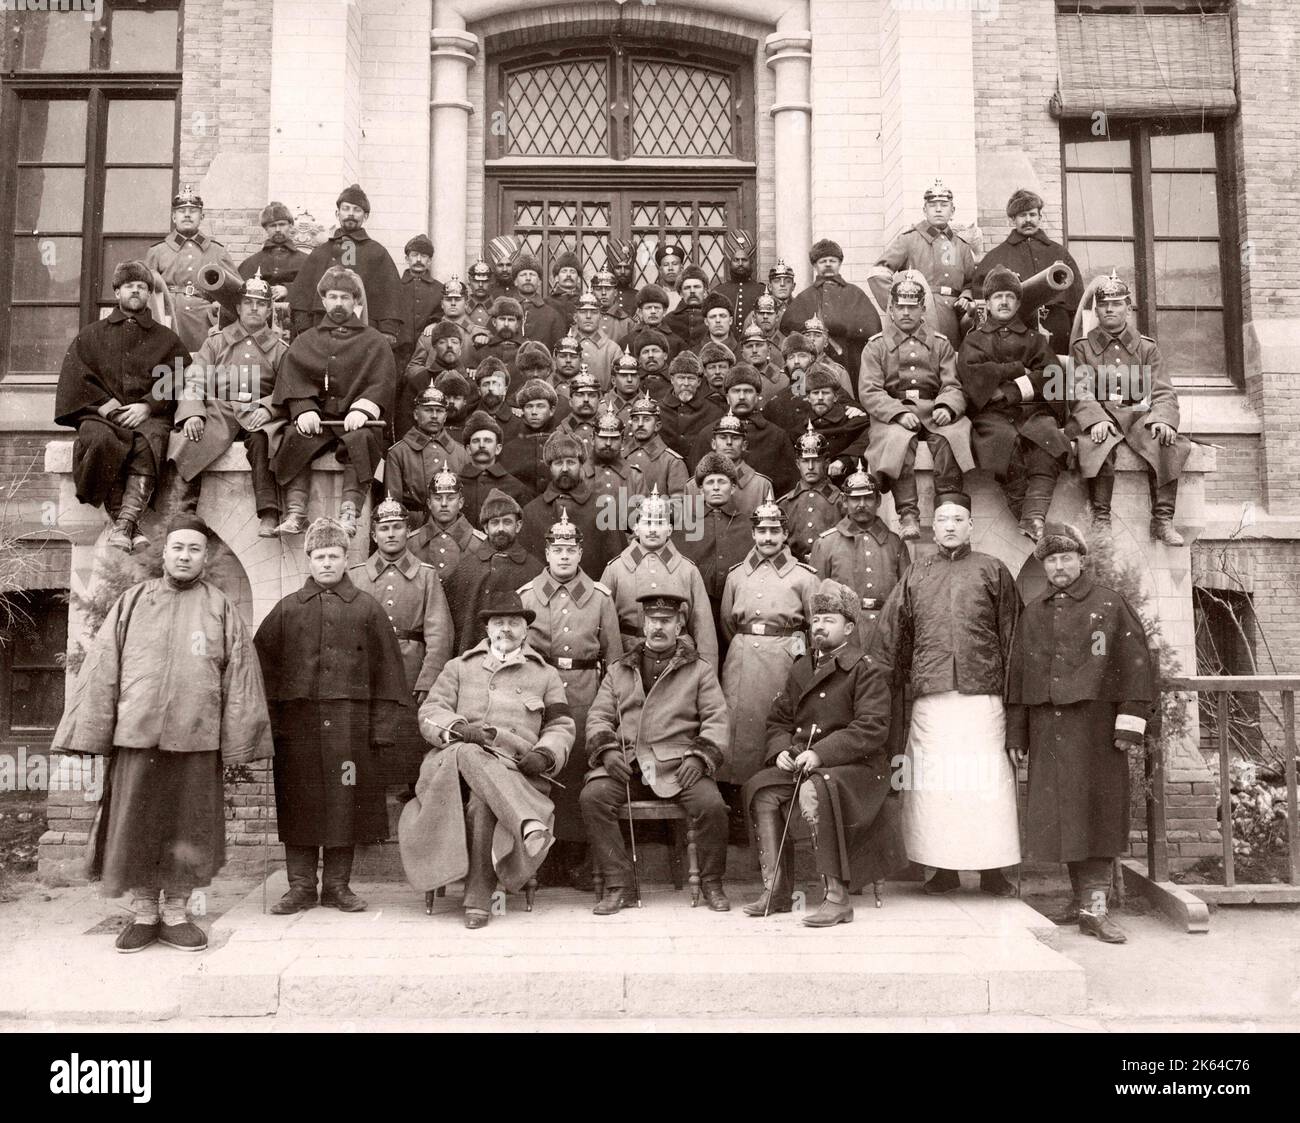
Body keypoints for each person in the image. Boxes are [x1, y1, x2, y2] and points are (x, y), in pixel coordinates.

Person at [52, 514, 272, 952]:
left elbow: (241, 677)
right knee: (136, 826)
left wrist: (239, 741)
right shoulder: (134, 601)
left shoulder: (219, 606)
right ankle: (143, 912)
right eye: (177, 547)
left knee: (188, 829)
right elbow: (102, 669)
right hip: (138, 737)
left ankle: (175, 912)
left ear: (205, 557)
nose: (185, 556)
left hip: (196, 739)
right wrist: (95, 732)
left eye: (194, 549)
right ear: (165, 552)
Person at [1005, 523, 1154, 943]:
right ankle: (1081, 899)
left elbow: (1137, 665)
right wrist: (1017, 735)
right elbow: (1018, 677)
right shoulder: (1033, 612)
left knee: (1097, 814)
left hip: (1097, 732)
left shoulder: (1110, 604)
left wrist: (1130, 723)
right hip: (1048, 731)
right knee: (1063, 816)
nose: (1059, 567)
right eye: (1051, 560)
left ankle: (1096, 905)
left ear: (1081, 559)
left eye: (1066, 558)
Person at [255, 517, 409, 915]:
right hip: (297, 729)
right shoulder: (287, 610)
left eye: (334, 556)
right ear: (309, 559)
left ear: (346, 558)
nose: (327, 563)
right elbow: (261, 673)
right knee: (300, 802)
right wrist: (270, 729)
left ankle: (339, 886)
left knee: (346, 804)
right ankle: (301, 886)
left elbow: (389, 675)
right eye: (319, 556)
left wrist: (381, 732)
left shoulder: (367, 609)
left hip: (350, 728)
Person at [870, 492, 1021, 896]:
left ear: (971, 525)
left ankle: (992, 871)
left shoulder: (994, 570)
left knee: (984, 783)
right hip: (932, 697)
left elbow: (1012, 637)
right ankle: (942, 870)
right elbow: (892, 635)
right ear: (932, 528)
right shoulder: (917, 573)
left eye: (958, 519)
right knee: (936, 786)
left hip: (982, 696)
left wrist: (1012, 699)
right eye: (943, 519)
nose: (950, 526)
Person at [403, 590, 575, 928]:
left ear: (526, 631)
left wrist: (545, 754)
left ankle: (478, 901)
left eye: (514, 623)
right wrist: (460, 729)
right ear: (488, 629)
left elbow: (561, 724)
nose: (506, 629)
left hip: (516, 770)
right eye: (499, 623)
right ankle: (528, 823)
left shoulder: (545, 674)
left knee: (482, 803)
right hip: (451, 766)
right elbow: (429, 713)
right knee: (468, 751)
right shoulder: (459, 667)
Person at [741, 578, 905, 925]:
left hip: (857, 768)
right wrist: (781, 750)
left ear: (849, 627)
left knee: (817, 788)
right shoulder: (801, 668)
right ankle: (777, 890)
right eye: (815, 620)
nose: (819, 626)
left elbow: (872, 727)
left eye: (829, 621)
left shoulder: (866, 669)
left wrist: (821, 754)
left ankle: (838, 897)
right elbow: (779, 719)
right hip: (805, 761)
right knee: (762, 788)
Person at [581, 592, 732, 913]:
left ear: (679, 625)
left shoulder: (698, 670)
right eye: (652, 621)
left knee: (713, 806)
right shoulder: (619, 669)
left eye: (666, 621)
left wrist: (699, 757)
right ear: (643, 624)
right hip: (628, 763)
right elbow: (598, 716)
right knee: (593, 797)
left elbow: (717, 720)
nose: (658, 627)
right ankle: (619, 884)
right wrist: (607, 751)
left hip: (679, 766)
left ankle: (712, 882)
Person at [519, 511, 623, 885]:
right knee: (542, 770)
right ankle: (543, 857)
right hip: (539, 695)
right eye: (556, 549)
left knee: (578, 771)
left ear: (580, 553)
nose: (563, 556)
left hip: (585, 691)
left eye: (570, 549)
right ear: (546, 553)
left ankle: (577, 857)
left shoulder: (599, 598)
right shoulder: (528, 595)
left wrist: (611, 707)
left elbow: (614, 658)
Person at [54, 260, 185, 552]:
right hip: (101, 415)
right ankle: (128, 527)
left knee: (148, 441)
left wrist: (148, 406)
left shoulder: (167, 339)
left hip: (149, 417)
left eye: (142, 287)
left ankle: (124, 525)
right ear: (117, 292)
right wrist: (107, 406)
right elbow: (78, 377)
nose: (136, 291)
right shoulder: (91, 335)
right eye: (129, 286)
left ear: (149, 294)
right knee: (101, 440)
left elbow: (177, 375)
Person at [1069, 271, 1192, 546]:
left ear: (1128, 307)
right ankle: (1101, 523)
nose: (1110, 309)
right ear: (1097, 309)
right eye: (1103, 304)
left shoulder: (1146, 348)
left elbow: (1163, 390)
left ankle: (1162, 519)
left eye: (1117, 303)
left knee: (1167, 441)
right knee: (1096, 442)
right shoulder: (1083, 348)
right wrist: (1095, 419)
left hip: (1139, 416)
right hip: (1102, 414)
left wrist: (1163, 419)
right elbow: (1080, 390)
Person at [270, 265, 394, 537]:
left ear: (356, 301)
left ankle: (349, 513)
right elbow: (294, 376)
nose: (339, 303)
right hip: (321, 419)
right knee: (295, 434)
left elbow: (382, 380)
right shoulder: (306, 340)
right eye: (334, 297)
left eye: (345, 297)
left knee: (363, 439)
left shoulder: (374, 341)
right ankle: (296, 512)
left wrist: (365, 407)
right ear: (324, 300)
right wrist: (303, 408)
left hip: (355, 421)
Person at [169, 271, 289, 536]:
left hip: (259, 412)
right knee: (191, 437)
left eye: (260, 304)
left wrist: (268, 408)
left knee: (263, 441)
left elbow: (288, 388)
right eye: (248, 303)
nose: (254, 308)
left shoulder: (280, 349)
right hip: (220, 410)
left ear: (269, 310)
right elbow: (195, 379)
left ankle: (269, 513)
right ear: (237, 307)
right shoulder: (216, 342)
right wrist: (192, 413)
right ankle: (182, 512)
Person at [957, 265, 1070, 541]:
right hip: (992, 415)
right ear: (988, 303)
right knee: (1004, 444)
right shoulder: (974, 340)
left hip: (1032, 411)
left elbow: (1051, 375)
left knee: (1048, 440)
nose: (1004, 302)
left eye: (1010, 296)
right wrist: (1019, 368)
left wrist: (1010, 390)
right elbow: (974, 374)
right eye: (998, 297)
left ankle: (1034, 517)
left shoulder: (1035, 340)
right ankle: (1027, 516)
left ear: (1019, 302)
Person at [858, 273, 973, 541]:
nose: (906, 312)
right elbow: (869, 390)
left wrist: (947, 406)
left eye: (913, 306)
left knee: (951, 438)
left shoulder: (940, 343)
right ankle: (908, 513)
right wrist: (898, 413)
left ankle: (947, 508)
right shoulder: (876, 346)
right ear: (891, 309)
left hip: (933, 409)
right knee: (898, 442)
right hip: (893, 411)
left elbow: (952, 384)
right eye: (901, 306)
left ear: (923, 308)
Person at [349, 496, 455, 788]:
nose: (392, 534)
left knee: (410, 747)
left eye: (398, 527)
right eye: (384, 528)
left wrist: (428, 679)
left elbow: (440, 632)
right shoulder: (356, 577)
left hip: (412, 672)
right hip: (370, 673)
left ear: (408, 531)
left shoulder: (426, 576)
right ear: (373, 535)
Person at [717, 496, 817, 785]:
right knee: (739, 725)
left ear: (786, 534)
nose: (768, 537)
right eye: (762, 531)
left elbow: (814, 626)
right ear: (753, 534)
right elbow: (728, 623)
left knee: (775, 722)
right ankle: (735, 790)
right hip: (743, 657)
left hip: (783, 657)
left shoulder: (804, 576)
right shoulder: (737, 575)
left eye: (775, 531)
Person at [599, 486, 718, 665]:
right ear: (636, 528)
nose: (653, 529)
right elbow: (604, 626)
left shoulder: (687, 570)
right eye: (647, 523)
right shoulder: (615, 569)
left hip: (679, 657)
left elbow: (704, 628)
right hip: (629, 654)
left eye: (659, 523)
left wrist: (707, 674)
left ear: (669, 529)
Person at [288, 183, 404, 343]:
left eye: (357, 210)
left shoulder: (378, 253)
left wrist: (387, 331)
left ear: (366, 216)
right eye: (346, 208)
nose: (351, 214)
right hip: (322, 330)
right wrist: (305, 330)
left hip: (365, 332)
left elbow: (391, 296)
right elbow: (302, 296)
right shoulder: (320, 252)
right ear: (337, 213)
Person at [973, 188, 1084, 354]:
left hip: (1058, 331)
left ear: (1040, 217)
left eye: (1032, 215)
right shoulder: (996, 256)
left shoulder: (1059, 253)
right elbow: (981, 302)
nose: (1028, 220)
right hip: (1016, 331)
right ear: (1012, 220)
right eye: (1022, 215)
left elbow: (1077, 299)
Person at [808, 461, 909, 639]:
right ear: (845, 501)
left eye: (868, 498)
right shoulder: (826, 543)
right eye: (855, 499)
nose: (861, 504)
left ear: (878, 500)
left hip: (886, 633)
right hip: (843, 633)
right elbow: (817, 602)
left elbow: (905, 598)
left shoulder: (895, 544)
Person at [870, 179, 976, 343]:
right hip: (920, 316)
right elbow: (878, 273)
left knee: (949, 361)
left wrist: (966, 297)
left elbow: (970, 283)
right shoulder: (909, 240)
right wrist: (898, 306)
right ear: (925, 210)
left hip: (953, 319)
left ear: (952, 210)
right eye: (933, 205)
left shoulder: (962, 246)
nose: (938, 209)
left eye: (944, 205)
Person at [444, 487, 544, 654]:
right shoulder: (466, 569)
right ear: (485, 528)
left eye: (507, 522)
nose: (500, 529)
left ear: (518, 526)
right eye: (494, 522)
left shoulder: (535, 570)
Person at [144, 184, 242, 353]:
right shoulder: (158, 251)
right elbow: (145, 292)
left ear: (201, 216)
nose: (187, 215)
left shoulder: (217, 251)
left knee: (203, 371)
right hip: (169, 319)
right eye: (182, 211)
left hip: (205, 323)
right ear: (174, 217)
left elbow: (237, 293)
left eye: (193, 211)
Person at [520, 430, 624, 578]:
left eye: (571, 462)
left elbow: (617, 565)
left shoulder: (604, 508)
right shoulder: (532, 511)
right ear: (549, 466)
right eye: (558, 463)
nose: (564, 469)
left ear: (581, 464)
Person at [677, 452, 753, 655]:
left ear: (734, 487)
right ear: (700, 489)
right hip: (699, 611)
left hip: (737, 610)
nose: (717, 487)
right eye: (710, 483)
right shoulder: (684, 525)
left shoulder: (748, 525)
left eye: (722, 482)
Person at [690, 364, 797, 498]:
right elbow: (693, 488)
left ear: (757, 396)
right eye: (736, 391)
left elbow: (790, 489)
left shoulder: (777, 436)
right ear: (727, 397)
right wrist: (693, 519)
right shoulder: (707, 434)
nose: (741, 397)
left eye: (747, 391)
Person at [780, 237, 881, 377]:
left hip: (850, 358)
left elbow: (872, 327)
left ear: (839, 263)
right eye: (822, 261)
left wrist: (841, 326)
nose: (828, 264)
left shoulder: (855, 293)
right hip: (813, 362)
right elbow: (788, 326)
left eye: (832, 261)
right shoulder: (805, 297)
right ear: (815, 265)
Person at [385, 386, 470, 526]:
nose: (435, 416)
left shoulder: (461, 453)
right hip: (414, 525)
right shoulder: (398, 452)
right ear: (416, 414)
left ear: (445, 416)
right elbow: (393, 503)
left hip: (455, 526)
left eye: (440, 411)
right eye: (428, 410)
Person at [393, 234, 446, 436]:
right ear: (407, 258)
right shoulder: (394, 286)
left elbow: (445, 314)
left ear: (430, 260)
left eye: (423, 256)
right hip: (398, 355)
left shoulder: (439, 289)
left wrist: (435, 322)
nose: (418, 260)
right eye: (414, 255)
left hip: (426, 358)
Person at [408, 459, 487, 585]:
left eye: (450, 498)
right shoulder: (411, 544)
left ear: (460, 503)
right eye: (438, 498)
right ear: (429, 503)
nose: (444, 504)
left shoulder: (479, 544)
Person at [457, 410, 536, 528]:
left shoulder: (516, 487)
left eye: (488, 441)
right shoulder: (456, 486)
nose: (482, 445)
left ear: (498, 448)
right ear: (468, 449)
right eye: (476, 441)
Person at [779, 424, 845, 561]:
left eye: (816, 461)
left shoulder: (841, 502)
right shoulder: (785, 504)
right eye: (805, 461)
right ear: (797, 464)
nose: (810, 467)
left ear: (826, 462)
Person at [690, 409, 772, 517]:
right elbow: (690, 531)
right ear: (713, 444)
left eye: (735, 438)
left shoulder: (762, 485)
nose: (729, 442)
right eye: (723, 437)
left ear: (744, 445)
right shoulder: (692, 485)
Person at [239, 201, 309, 308]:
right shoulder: (252, 263)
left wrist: (288, 289)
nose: (277, 230)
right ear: (266, 228)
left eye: (282, 224)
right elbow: (239, 290)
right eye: (272, 225)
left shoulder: (306, 260)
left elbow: (314, 287)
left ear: (290, 226)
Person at [660, 350, 724, 463]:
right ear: (672, 380)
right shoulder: (658, 411)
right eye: (681, 378)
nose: (686, 383)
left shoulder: (714, 412)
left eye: (691, 378)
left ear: (699, 382)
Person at [623, 392, 690, 498]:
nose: (640, 424)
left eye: (646, 419)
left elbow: (679, 503)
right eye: (636, 419)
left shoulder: (672, 462)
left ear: (657, 426)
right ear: (631, 425)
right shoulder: (620, 457)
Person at [511, 252, 567, 351]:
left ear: (539, 282)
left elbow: (559, 350)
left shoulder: (552, 314)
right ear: (515, 281)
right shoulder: (505, 310)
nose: (528, 278)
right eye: (523, 275)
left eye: (532, 274)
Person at [711, 229, 764, 326]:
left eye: (744, 260)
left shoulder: (762, 291)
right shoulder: (719, 292)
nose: (740, 264)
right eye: (736, 260)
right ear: (730, 263)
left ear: (751, 262)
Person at [572, 287, 623, 387]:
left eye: (594, 312)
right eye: (583, 312)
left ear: (600, 317)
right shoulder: (565, 346)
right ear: (575, 317)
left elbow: (619, 385)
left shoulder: (612, 349)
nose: (588, 316)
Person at [592, 267, 632, 345]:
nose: (603, 293)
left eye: (608, 289)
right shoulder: (583, 318)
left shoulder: (627, 322)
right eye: (598, 289)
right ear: (593, 292)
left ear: (615, 292)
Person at [605, 236, 639, 316]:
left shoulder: (639, 296)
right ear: (611, 269)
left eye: (627, 268)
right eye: (618, 268)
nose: (623, 272)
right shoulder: (602, 295)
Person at [485, 234, 521, 300]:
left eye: (509, 265)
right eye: (500, 265)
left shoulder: (522, 291)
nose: (505, 269)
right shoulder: (487, 293)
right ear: (494, 267)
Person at [654, 242, 688, 312]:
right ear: (660, 270)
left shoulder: (689, 294)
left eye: (674, 264)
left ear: (681, 268)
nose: (670, 268)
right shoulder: (653, 296)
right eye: (666, 265)